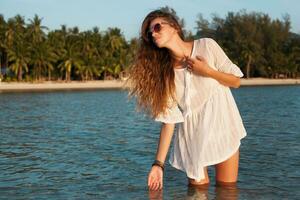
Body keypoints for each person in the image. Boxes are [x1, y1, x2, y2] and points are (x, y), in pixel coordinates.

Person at [127, 9, 247, 191]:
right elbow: (169, 122)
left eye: (157, 27)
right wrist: (158, 164)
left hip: (223, 128)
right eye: (150, 33)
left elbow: (236, 81)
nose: (153, 33)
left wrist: (207, 71)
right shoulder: (165, 74)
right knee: (198, 193)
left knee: (227, 191)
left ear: (174, 26)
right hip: (192, 138)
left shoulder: (207, 46)